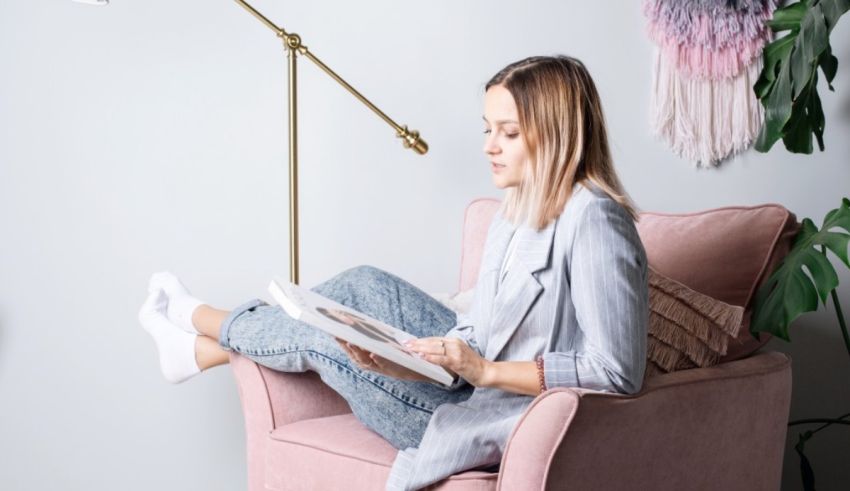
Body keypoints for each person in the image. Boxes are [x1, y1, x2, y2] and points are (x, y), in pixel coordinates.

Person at [137, 55, 648, 491]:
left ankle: (198, 325)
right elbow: (480, 334)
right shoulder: (513, 211)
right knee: (360, 286)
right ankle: (199, 345)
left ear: (555, 134)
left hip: (502, 417)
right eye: (488, 129)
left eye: (508, 132)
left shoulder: (596, 220)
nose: (489, 146)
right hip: (473, 384)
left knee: (323, 341)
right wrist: (405, 364)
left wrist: (485, 372)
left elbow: (615, 370)